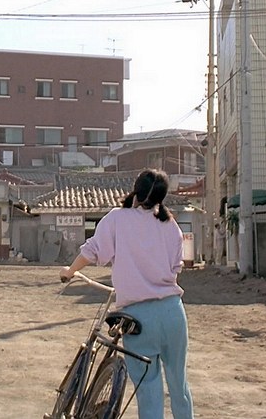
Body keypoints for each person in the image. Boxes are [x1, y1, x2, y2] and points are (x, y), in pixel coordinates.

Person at [59, 169, 193, 419]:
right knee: (179, 384)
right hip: (173, 312)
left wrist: (70, 271)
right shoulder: (170, 225)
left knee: (148, 387)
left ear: (136, 190)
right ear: (161, 196)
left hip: (138, 317)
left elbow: (92, 251)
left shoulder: (117, 219)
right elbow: (177, 267)